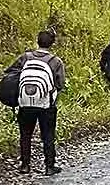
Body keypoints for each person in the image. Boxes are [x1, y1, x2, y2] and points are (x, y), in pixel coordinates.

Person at [6, 30, 65, 175]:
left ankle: (25, 165)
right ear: (52, 43)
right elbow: (60, 83)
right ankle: (49, 166)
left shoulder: (25, 57)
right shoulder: (55, 61)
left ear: (37, 41)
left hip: (25, 103)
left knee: (25, 134)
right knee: (48, 135)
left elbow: (10, 72)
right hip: (46, 104)